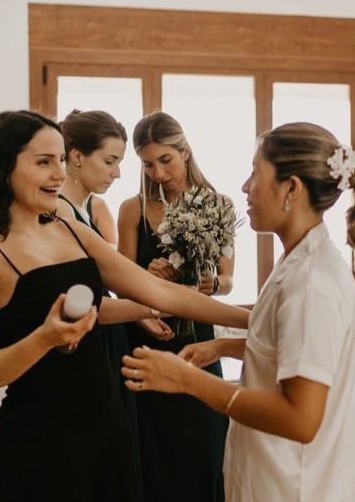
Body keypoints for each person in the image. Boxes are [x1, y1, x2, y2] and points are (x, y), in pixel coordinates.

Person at [0, 110, 248, 501]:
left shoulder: (68, 227)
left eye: (59, 160)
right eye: (43, 162)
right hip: (40, 442)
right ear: (3, 165)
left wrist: (254, 318)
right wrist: (43, 339)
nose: (58, 173)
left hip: (110, 426)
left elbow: (160, 293)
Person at [122, 122, 355, 502]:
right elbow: (290, 350)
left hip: (295, 488)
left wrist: (186, 381)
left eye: (254, 173)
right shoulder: (296, 264)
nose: (245, 187)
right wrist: (222, 349)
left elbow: (300, 417)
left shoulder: (311, 283)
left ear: (291, 188)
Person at [117, 111, 234, 501]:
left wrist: (208, 282)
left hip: (198, 339)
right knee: (154, 457)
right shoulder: (132, 210)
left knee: (204, 447)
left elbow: (227, 280)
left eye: (165, 160)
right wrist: (146, 276)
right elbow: (121, 283)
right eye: (147, 164)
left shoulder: (220, 205)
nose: (157, 173)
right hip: (148, 338)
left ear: (185, 151)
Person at [56, 108, 172, 500]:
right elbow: (88, 306)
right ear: (75, 157)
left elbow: (104, 291)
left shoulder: (86, 212)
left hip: (108, 347)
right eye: (110, 161)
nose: (118, 173)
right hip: (85, 357)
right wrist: (149, 307)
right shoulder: (59, 214)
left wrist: (140, 315)